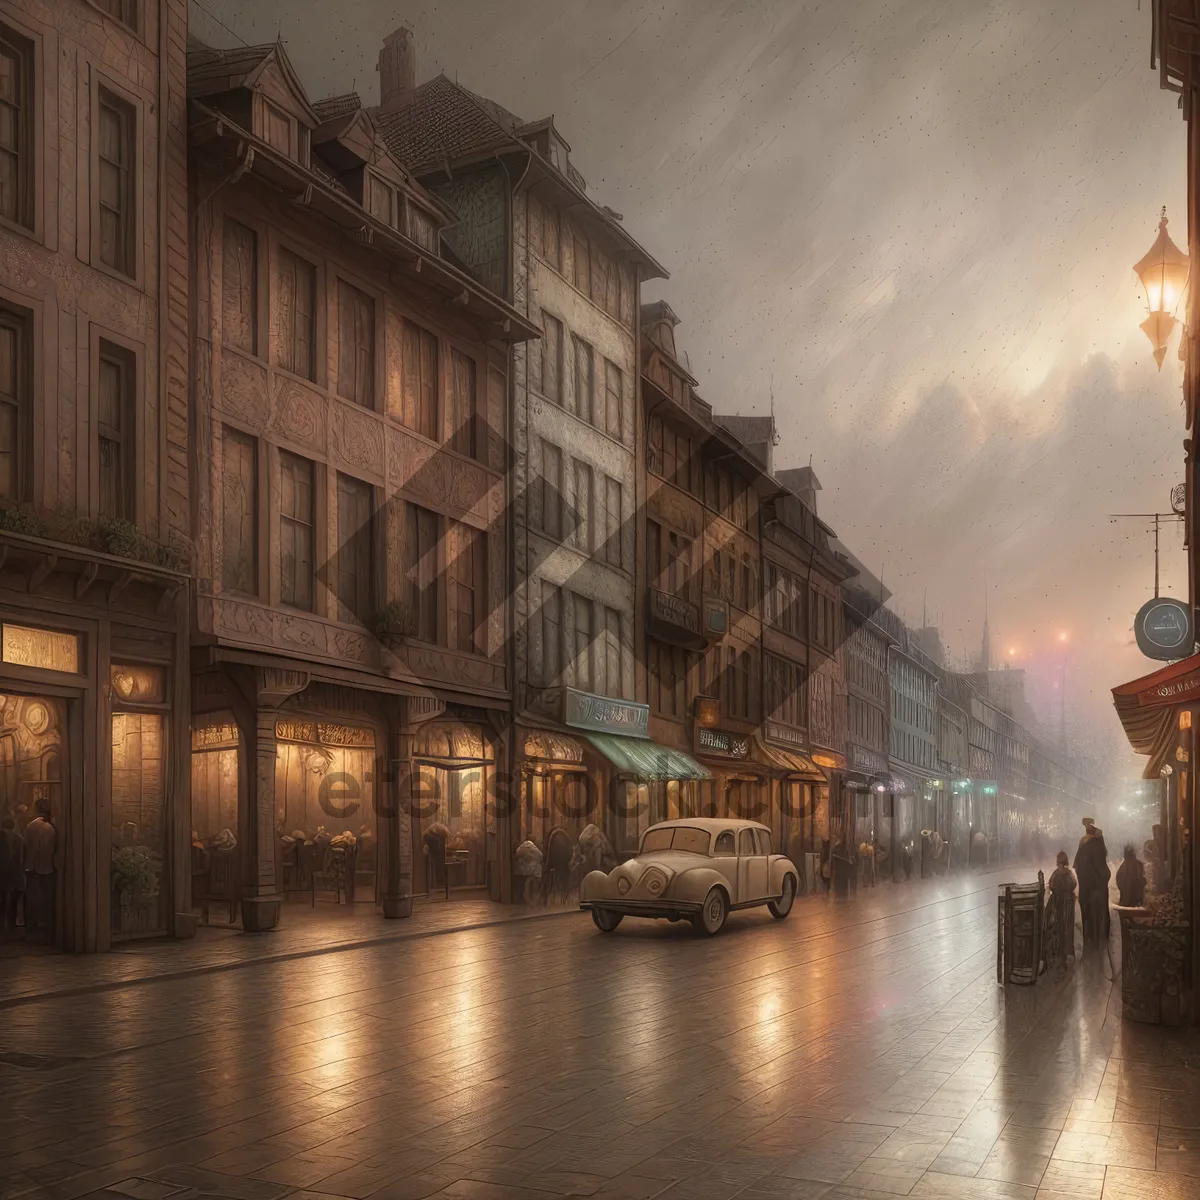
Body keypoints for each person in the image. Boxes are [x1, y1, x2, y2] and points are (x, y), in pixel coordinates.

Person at [1073, 817, 1110, 949]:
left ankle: (1090, 939)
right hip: (1098, 887)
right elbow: (1104, 870)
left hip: (1088, 887)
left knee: (1089, 914)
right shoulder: (1099, 846)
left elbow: (1077, 866)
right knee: (1100, 913)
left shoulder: (1084, 844)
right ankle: (1102, 938)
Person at [1042, 850, 1077, 969]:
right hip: (1068, 903)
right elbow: (1074, 884)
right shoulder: (1070, 873)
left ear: (1058, 861)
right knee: (1067, 928)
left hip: (1056, 903)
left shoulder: (1055, 873)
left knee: (1057, 927)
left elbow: (1051, 885)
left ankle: (1058, 953)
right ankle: (1068, 953)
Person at [0, 815, 25, 935]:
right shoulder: (20, 839)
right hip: (16, 873)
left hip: (2, 873)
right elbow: (22, 857)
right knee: (13, 901)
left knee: (2, 899)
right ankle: (11, 926)